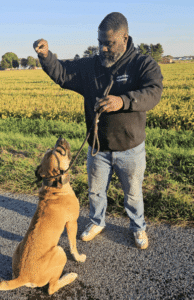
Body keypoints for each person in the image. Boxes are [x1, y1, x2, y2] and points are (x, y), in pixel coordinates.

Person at [33, 12, 163, 249]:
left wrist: (122, 101)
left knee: (133, 194)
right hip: (98, 148)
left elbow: (153, 92)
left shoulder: (142, 64)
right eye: (100, 42)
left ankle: (138, 227)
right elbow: (62, 74)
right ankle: (97, 222)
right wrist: (46, 56)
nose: (102, 49)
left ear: (125, 38)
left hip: (130, 148)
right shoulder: (90, 66)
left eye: (109, 43)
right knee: (95, 192)